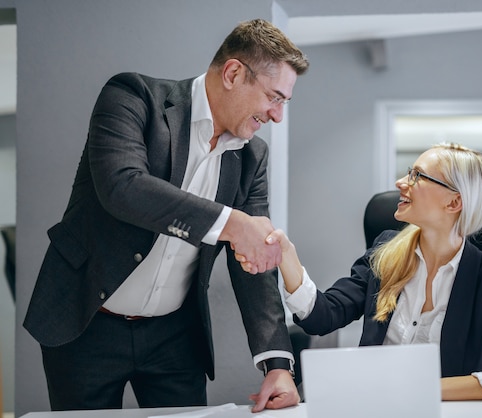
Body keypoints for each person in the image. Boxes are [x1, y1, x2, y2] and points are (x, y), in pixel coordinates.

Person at [23, 19, 309, 412]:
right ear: (233, 73)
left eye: (284, 103)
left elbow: (254, 262)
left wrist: (277, 363)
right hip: (86, 319)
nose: (277, 115)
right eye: (274, 97)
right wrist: (233, 223)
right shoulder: (132, 96)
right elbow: (123, 187)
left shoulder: (251, 158)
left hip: (175, 335)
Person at [240, 142, 482, 401]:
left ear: (454, 202)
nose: (401, 183)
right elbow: (320, 316)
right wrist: (287, 255)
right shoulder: (386, 252)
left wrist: (425, 390)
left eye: (418, 176)